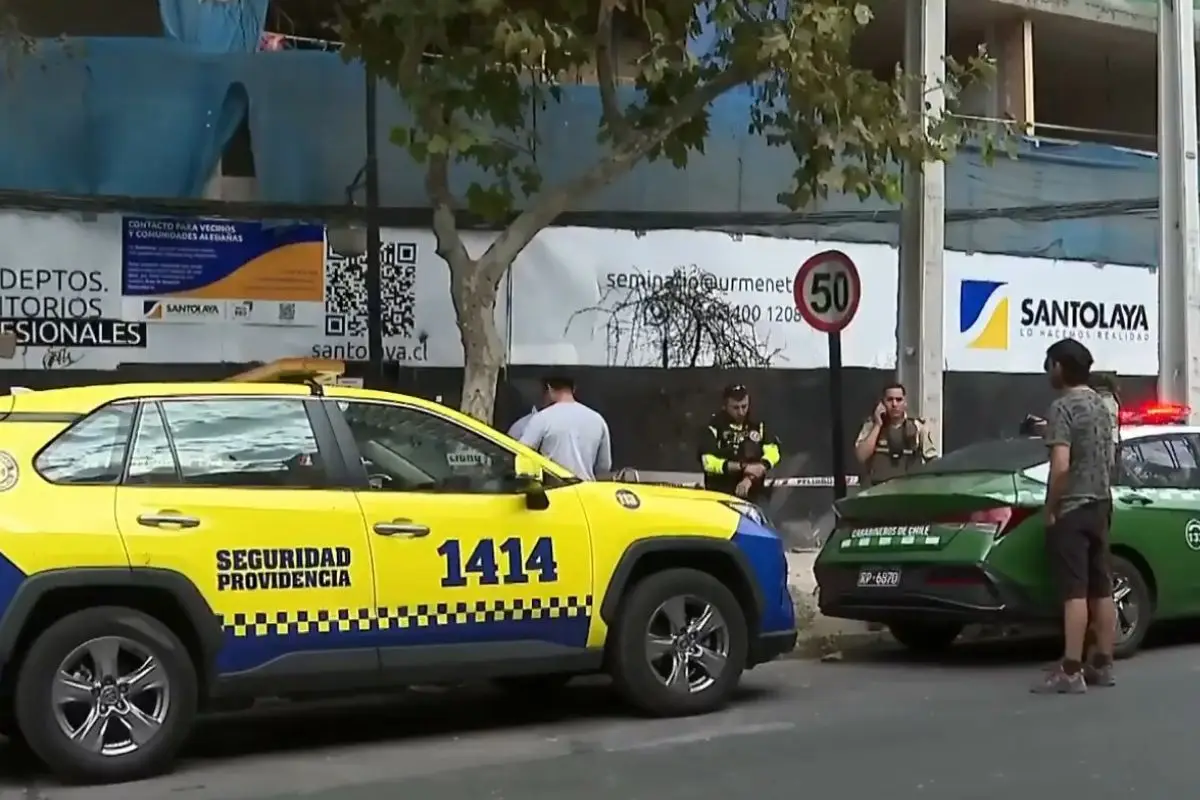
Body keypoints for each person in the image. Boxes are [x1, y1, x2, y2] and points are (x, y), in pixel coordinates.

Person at [1033, 338, 1117, 694]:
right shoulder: (1101, 406)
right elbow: (1110, 457)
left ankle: (1070, 670)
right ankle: (1102, 663)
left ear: (1059, 367)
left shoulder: (1062, 407)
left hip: (1073, 507)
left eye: (1049, 364)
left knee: (1074, 591)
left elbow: (1061, 467)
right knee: (1102, 587)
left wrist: (1051, 508)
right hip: (1101, 503)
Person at [698, 384, 781, 503]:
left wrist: (759, 468)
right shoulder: (714, 426)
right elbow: (708, 462)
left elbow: (773, 452)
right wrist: (743, 468)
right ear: (725, 406)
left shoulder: (757, 424)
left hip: (754, 495)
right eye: (735, 408)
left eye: (744, 406)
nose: (741, 412)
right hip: (721, 496)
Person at [517, 376, 612, 480]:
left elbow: (522, 455)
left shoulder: (542, 418)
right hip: (587, 491)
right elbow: (603, 467)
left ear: (549, 388)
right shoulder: (597, 420)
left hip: (554, 492)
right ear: (574, 389)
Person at [853, 382, 938, 486]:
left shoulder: (918, 427)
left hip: (908, 489)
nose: (894, 404)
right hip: (877, 488)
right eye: (890, 400)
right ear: (882, 403)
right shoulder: (871, 426)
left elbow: (933, 461)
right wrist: (878, 425)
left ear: (905, 403)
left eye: (899, 400)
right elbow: (861, 457)